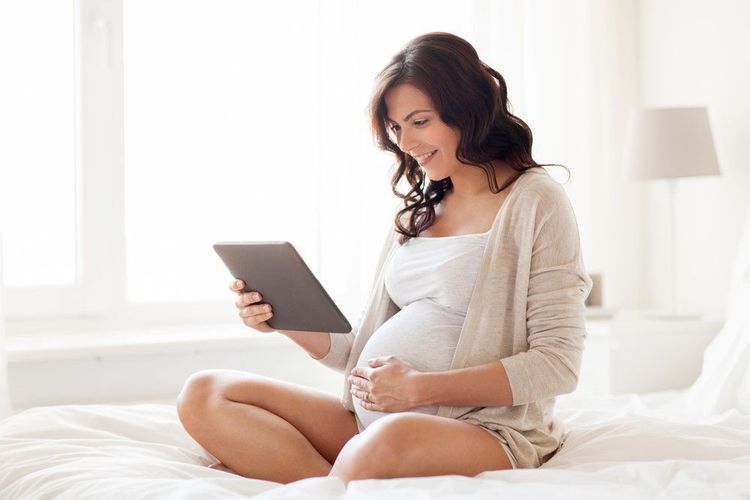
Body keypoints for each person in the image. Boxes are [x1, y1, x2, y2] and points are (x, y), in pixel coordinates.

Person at [176, 31, 592, 486]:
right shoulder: (418, 212)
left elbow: (558, 364)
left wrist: (420, 389)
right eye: (396, 128)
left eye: (419, 121)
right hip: (370, 422)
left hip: (479, 427)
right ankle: (329, 480)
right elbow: (358, 354)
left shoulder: (536, 200)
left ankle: (299, 473)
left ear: (467, 110)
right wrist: (282, 318)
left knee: (388, 438)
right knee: (204, 392)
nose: (406, 142)